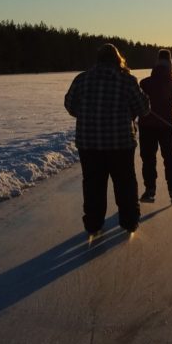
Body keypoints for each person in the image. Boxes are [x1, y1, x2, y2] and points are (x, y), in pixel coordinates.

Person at [64, 43, 150, 236]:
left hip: (89, 144)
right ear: (117, 59)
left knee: (93, 185)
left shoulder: (81, 79)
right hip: (120, 143)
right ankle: (129, 222)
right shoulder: (127, 81)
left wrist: (86, 114)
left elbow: (70, 105)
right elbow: (144, 108)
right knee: (125, 183)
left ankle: (93, 225)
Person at [138, 49, 172, 203]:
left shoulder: (144, 83)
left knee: (148, 159)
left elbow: (135, 104)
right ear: (170, 66)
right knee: (170, 159)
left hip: (146, 127)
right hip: (166, 128)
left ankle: (149, 191)